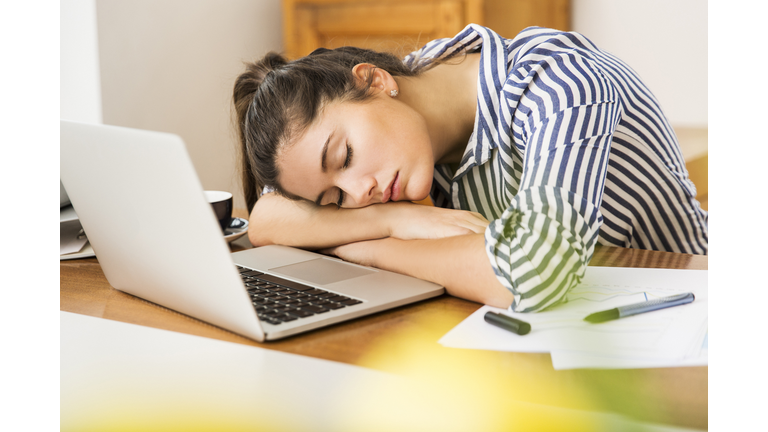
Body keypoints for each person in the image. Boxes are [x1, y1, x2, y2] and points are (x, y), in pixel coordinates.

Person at [232, 25, 708, 313]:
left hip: (688, 317)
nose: (361, 192)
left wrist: (365, 248)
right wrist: (396, 220)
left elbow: (529, 273)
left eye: (345, 158)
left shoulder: (562, 86)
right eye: (335, 201)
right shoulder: (414, 98)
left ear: (374, 80)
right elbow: (268, 216)